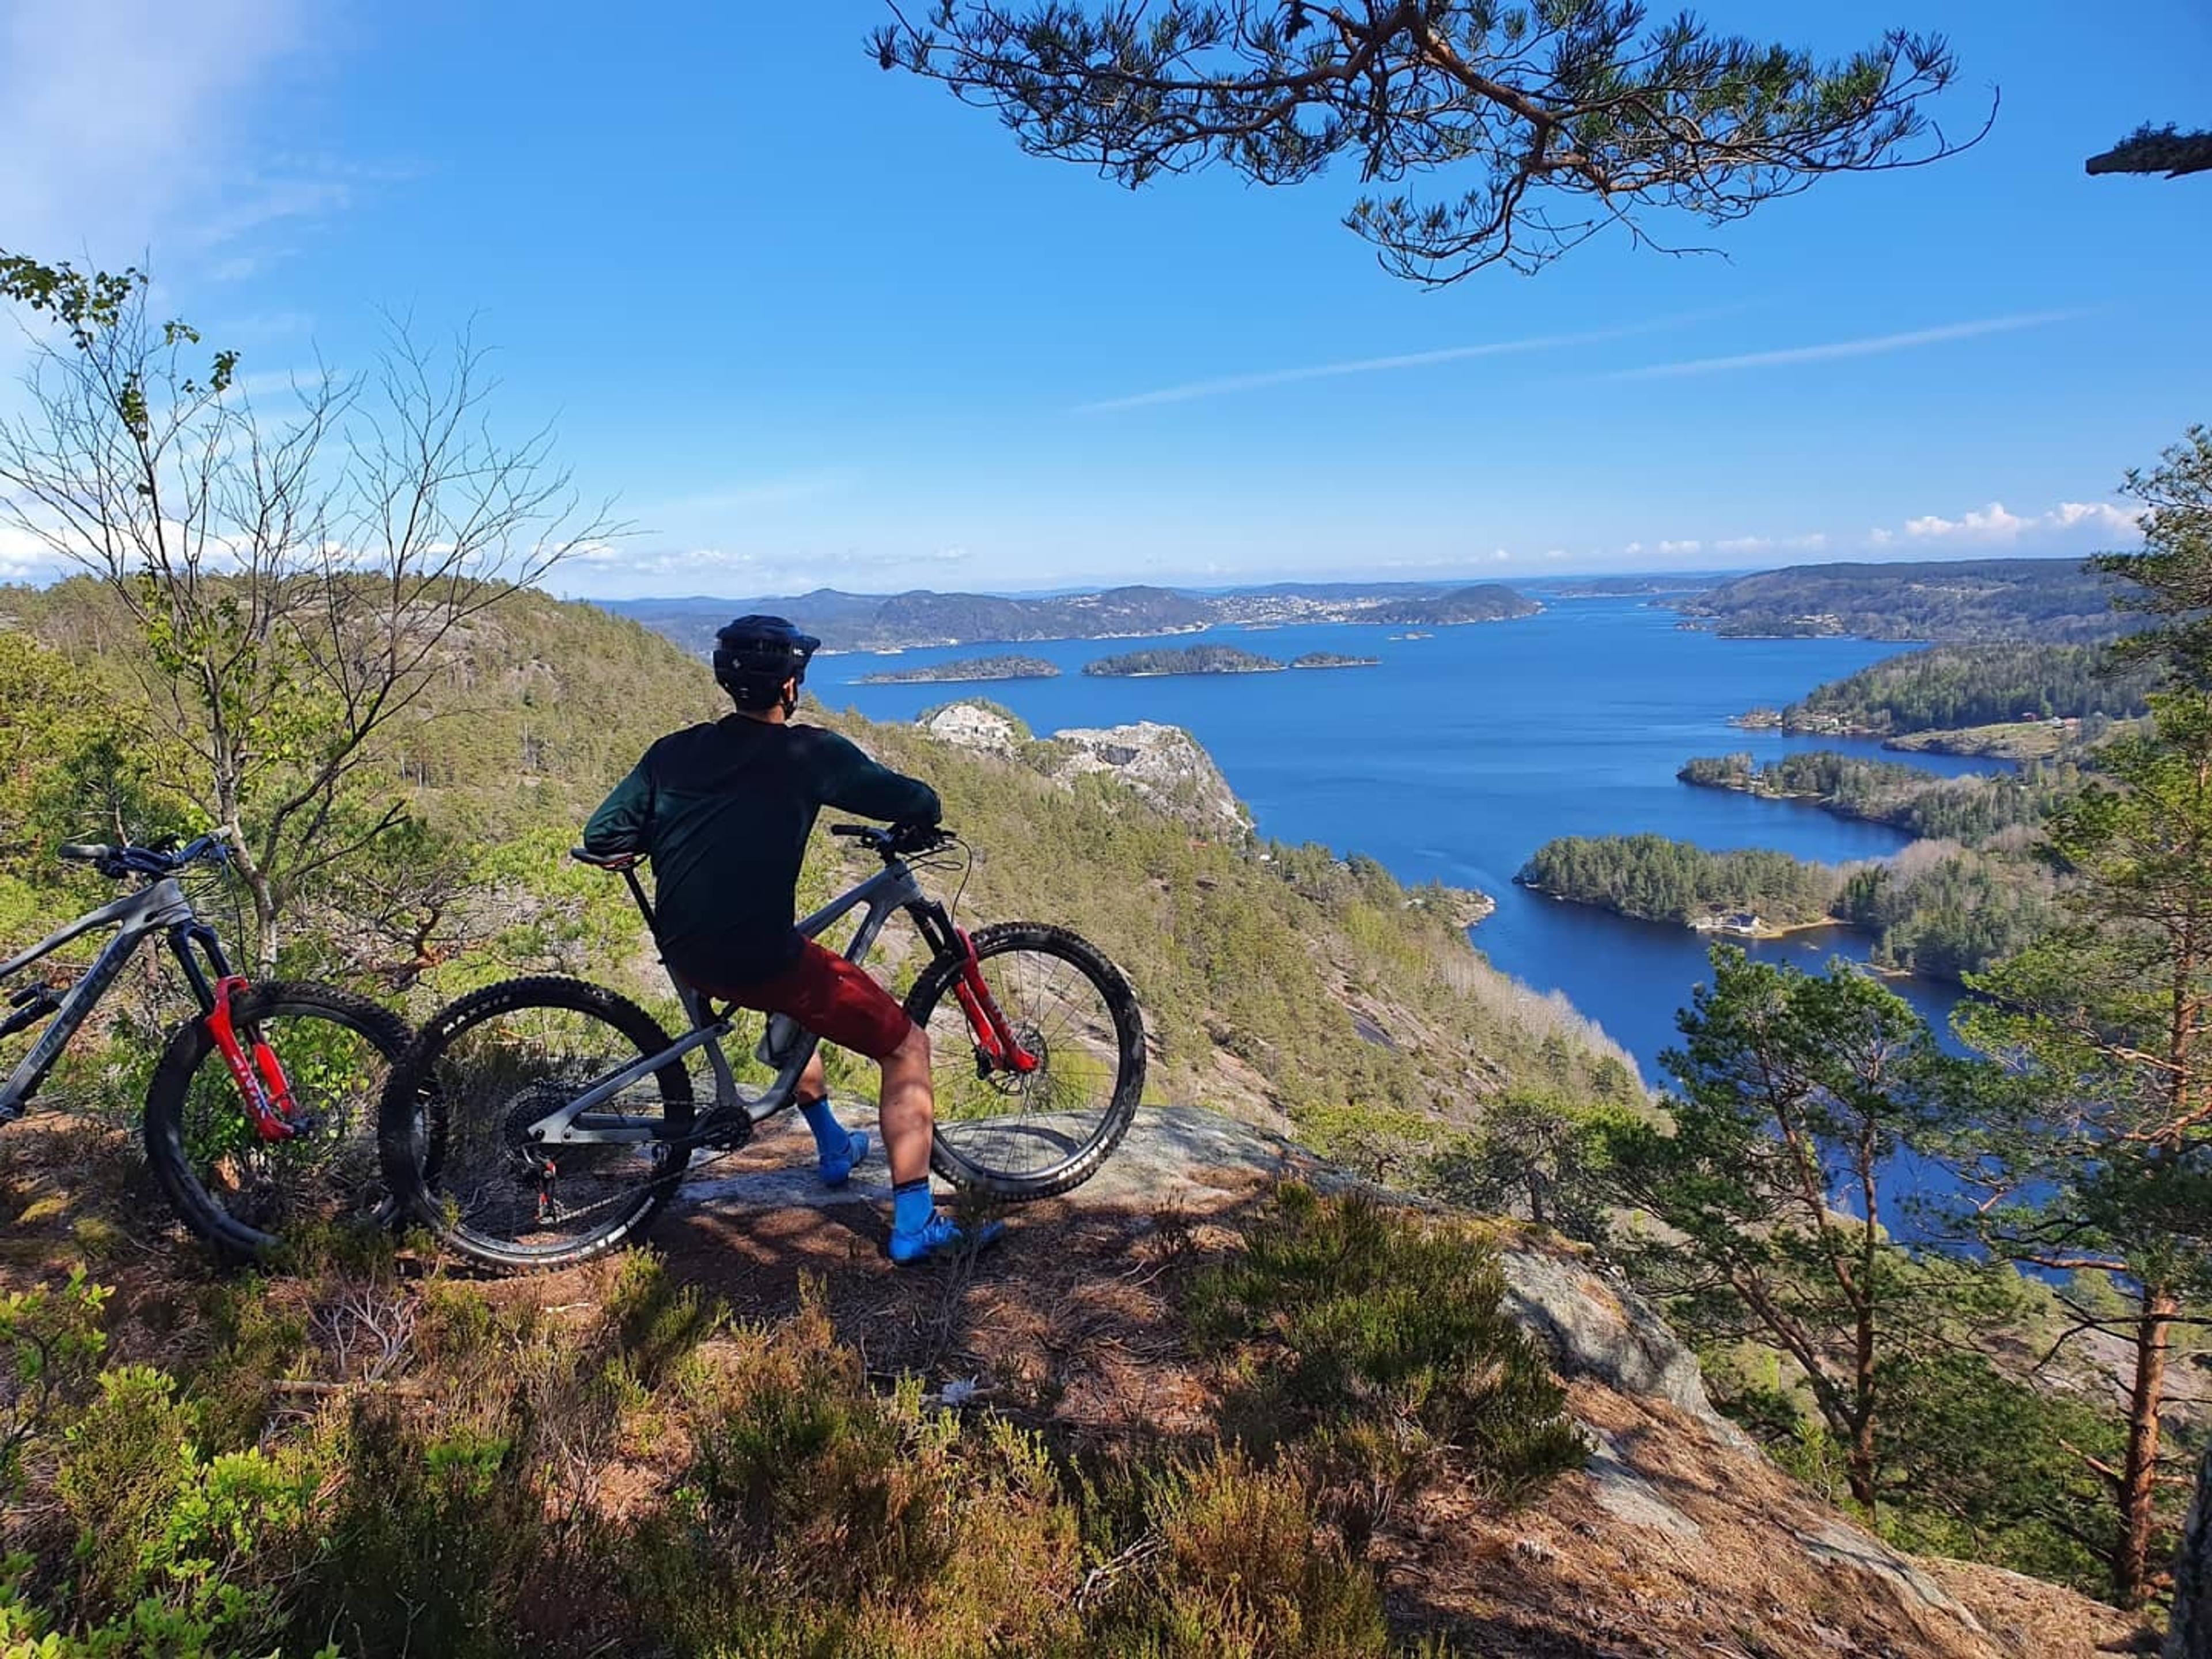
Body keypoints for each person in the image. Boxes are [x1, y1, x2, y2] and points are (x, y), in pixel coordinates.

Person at [582, 613, 1000, 1264]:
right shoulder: (811, 755)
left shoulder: (673, 751)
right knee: (906, 1046)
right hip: (756, 959)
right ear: (789, 686)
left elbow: (604, 833)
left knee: (799, 992)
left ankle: (833, 1146)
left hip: (689, 952)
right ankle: (916, 1223)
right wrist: (923, 813)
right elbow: (914, 799)